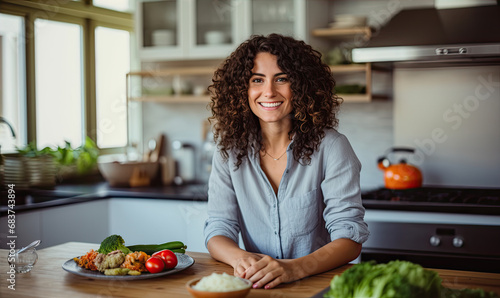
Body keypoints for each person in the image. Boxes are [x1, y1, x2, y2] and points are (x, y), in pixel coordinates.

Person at [204, 33, 369, 290]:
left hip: (321, 287)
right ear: (242, 90)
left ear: (302, 86)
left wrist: (294, 268)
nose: (269, 91)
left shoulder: (333, 147)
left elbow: (349, 237)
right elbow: (218, 227)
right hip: (257, 284)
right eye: (257, 80)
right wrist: (241, 258)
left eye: (282, 79)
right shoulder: (229, 150)